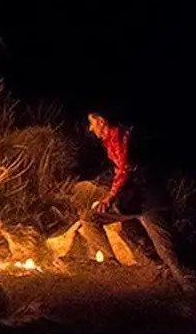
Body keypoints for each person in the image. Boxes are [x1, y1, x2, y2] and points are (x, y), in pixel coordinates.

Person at [78, 112, 192, 291]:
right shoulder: (113, 140)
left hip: (148, 202)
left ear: (102, 121)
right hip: (132, 204)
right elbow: (120, 171)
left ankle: (189, 289)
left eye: (92, 123)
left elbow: (124, 170)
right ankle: (114, 265)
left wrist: (109, 197)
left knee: (169, 253)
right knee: (95, 220)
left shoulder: (123, 137)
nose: (91, 128)